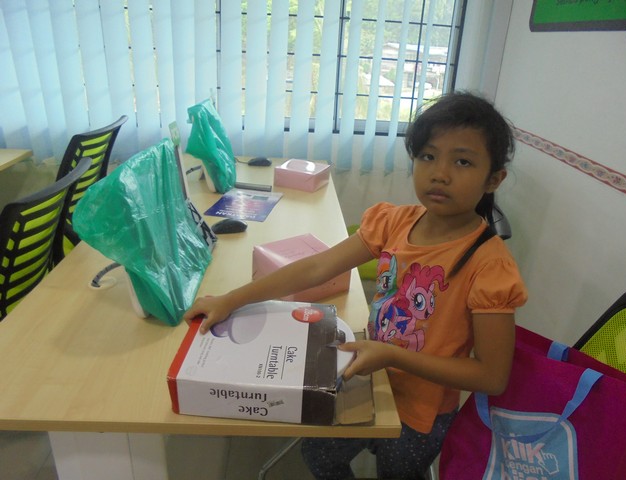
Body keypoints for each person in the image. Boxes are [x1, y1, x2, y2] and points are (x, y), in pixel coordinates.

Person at [182, 91, 528, 479]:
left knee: (396, 475)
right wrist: (231, 299)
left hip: (419, 413)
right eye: (428, 156)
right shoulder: (394, 221)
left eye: (462, 161)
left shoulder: (490, 266)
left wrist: (393, 356)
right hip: (366, 374)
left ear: (494, 178)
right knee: (318, 455)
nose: (440, 173)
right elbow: (316, 267)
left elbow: (491, 376)